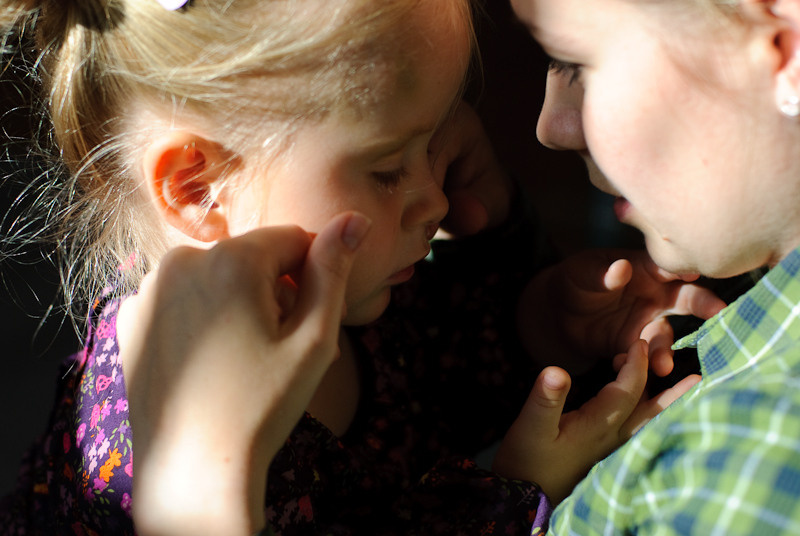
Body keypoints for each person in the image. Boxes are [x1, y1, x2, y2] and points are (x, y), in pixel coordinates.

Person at [0, 0, 723, 534]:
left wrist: (536, 321)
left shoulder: (338, 282)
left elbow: (425, 370)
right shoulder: (158, 460)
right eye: (386, 168)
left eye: (435, 144)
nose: (435, 198)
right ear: (198, 188)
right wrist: (510, 491)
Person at [509, 0, 800, 533]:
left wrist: (507, 507)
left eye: (576, 62)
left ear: (784, 49)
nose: (552, 128)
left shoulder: (736, 466)